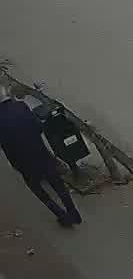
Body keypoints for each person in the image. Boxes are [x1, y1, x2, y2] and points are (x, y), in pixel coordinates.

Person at [0, 85, 81, 228]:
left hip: (22, 162)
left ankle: (61, 215)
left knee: (40, 191)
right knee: (58, 185)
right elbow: (38, 128)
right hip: (40, 153)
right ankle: (73, 212)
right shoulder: (21, 106)